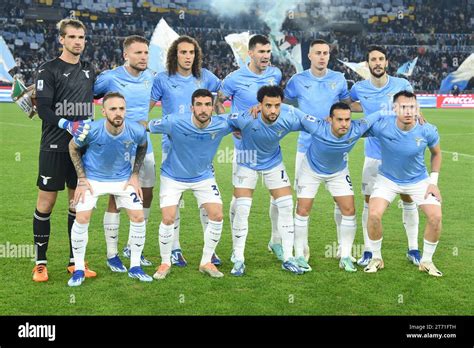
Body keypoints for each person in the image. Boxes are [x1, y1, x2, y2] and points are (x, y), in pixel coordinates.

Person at [32, 18, 95, 282]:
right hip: (54, 146)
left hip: (80, 148)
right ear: (62, 39)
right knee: (46, 203)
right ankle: (40, 263)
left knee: (76, 203)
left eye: (81, 37)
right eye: (72, 37)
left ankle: (75, 261)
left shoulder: (90, 71)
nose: (78, 42)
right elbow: (43, 109)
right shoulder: (48, 69)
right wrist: (67, 123)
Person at [150, 35, 222, 268]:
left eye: (192, 52)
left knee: (206, 199)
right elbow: (146, 107)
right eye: (183, 52)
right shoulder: (162, 80)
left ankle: (208, 252)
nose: (188, 56)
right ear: (175, 55)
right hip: (173, 146)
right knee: (176, 199)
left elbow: (222, 97)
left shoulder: (206, 77)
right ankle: (175, 248)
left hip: (202, 147)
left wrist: (219, 115)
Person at [147, 89, 234, 280]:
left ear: (213, 107)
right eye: (199, 105)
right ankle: (165, 262)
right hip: (172, 177)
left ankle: (206, 261)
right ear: (191, 107)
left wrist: (255, 110)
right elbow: (146, 127)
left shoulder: (222, 124)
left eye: (207, 105)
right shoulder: (174, 121)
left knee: (217, 215)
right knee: (168, 218)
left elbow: (247, 118)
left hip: (203, 177)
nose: (203, 109)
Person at [68, 92, 152, 286]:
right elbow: (72, 147)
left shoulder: (136, 130)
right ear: (103, 111)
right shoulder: (91, 129)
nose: (118, 113)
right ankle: (79, 269)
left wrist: (134, 175)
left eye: (121, 109)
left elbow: (142, 146)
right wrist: (81, 178)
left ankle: (135, 267)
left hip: (123, 180)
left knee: (138, 217)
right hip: (93, 179)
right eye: (113, 109)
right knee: (82, 218)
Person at [350, 45, 420, 267]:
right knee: (369, 204)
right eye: (373, 59)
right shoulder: (359, 88)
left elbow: (412, 106)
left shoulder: (401, 85)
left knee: (408, 199)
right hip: (373, 155)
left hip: (401, 155)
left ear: (387, 62)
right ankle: (369, 252)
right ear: (367, 64)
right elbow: (348, 104)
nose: (377, 63)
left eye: (381, 59)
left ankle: (413, 249)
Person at [294, 103, 384, 272]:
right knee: (303, 210)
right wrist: (259, 106)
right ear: (330, 120)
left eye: (347, 119)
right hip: (310, 170)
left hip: (338, 172)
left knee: (349, 210)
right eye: (340, 119)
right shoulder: (317, 126)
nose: (344, 123)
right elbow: (293, 111)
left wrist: (408, 111)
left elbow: (380, 114)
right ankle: (299, 255)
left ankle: (345, 256)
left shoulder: (357, 128)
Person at [216, 34, 283, 262]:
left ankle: (276, 241)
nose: (265, 56)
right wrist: (230, 122)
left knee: (279, 197)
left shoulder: (275, 74)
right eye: (261, 52)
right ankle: (237, 249)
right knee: (241, 202)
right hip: (244, 149)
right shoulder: (234, 78)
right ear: (250, 54)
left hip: (271, 147)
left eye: (268, 52)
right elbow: (218, 100)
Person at [284, 39, 351, 262]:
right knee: (303, 203)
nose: (322, 57)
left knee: (341, 201)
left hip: (334, 150)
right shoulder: (297, 81)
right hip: (305, 150)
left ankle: (343, 248)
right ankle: (301, 250)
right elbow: (283, 103)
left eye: (326, 53)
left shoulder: (339, 79)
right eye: (318, 53)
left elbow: (345, 107)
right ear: (309, 56)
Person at [226, 85, 305, 276]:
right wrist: (233, 129)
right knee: (242, 208)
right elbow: (222, 122)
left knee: (286, 205)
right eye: (268, 106)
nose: (273, 111)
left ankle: (288, 257)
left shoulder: (287, 118)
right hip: (247, 162)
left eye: (277, 106)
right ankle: (238, 258)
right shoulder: (246, 118)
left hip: (273, 163)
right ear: (259, 105)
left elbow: (312, 124)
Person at [363, 91, 443, 277]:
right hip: (387, 179)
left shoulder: (428, 129)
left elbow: (437, 153)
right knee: (373, 214)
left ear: (418, 109)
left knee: (435, 217)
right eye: (403, 107)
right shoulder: (383, 126)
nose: (408, 111)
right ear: (394, 109)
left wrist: (433, 182)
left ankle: (426, 261)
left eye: (412, 107)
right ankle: (376, 258)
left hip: (418, 180)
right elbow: (358, 128)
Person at [94, 35, 155, 271]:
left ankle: (132, 247)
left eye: (146, 53)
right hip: (117, 147)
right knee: (116, 197)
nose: (143, 57)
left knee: (146, 194)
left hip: (143, 145)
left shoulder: (151, 76)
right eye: (138, 53)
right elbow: (84, 90)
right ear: (125, 55)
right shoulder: (110, 77)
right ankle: (112, 254)